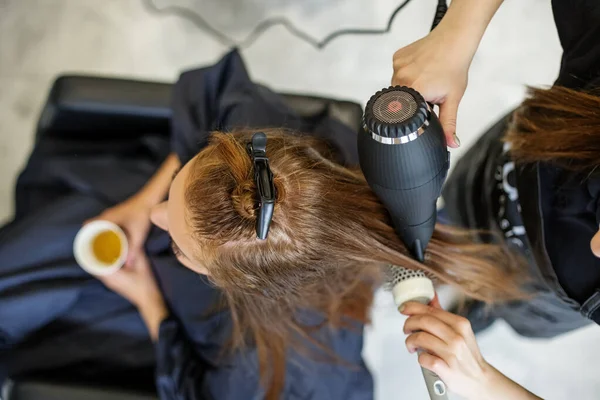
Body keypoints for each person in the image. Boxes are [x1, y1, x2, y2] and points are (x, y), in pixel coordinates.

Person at [0, 49, 527, 400]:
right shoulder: (277, 159)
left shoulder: (268, 367)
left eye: (183, 246)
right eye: (184, 180)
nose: (160, 218)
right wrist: (144, 202)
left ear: (240, 285)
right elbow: (209, 113)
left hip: (165, 303)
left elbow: (189, 385)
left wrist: (146, 300)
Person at [391, 0, 600, 398]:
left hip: (535, 299)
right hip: (490, 176)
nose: (596, 246)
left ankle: (479, 312)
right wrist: (459, 29)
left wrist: (483, 380)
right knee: (447, 221)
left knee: (494, 307)